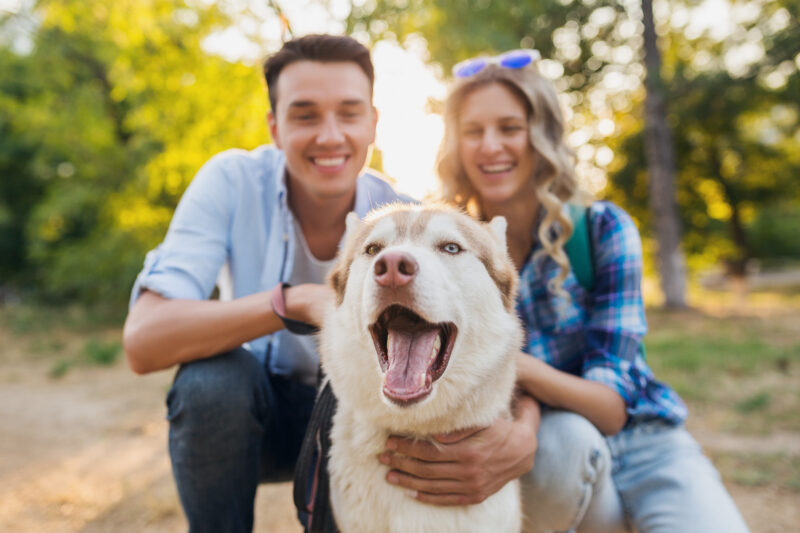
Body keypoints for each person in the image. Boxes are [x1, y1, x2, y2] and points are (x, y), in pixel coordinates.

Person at [377, 50, 750, 532]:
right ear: (455, 144)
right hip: (548, 445)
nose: (491, 146)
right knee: (565, 446)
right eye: (474, 131)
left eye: (510, 128)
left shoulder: (599, 230)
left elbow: (611, 409)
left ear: (541, 134)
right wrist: (525, 421)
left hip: (642, 442)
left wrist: (517, 366)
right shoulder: (444, 253)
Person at [122, 34, 411, 533]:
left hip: (357, 420)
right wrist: (293, 301)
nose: (329, 135)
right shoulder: (231, 180)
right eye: (304, 115)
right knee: (211, 383)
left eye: (348, 112)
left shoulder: (404, 219)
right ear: (275, 128)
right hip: (248, 416)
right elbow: (143, 342)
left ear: (372, 123)